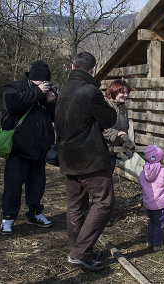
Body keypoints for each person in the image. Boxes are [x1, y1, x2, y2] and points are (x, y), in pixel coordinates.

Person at [54, 51, 117, 271]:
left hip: (67, 158)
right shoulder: (91, 92)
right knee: (105, 202)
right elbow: (110, 119)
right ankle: (80, 252)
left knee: (76, 206)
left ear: (72, 68)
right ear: (92, 70)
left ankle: (80, 250)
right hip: (89, 159)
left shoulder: (63, 90)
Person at [0, 60, 56, 235]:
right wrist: (37, 92)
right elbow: (11, 104)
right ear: (34, 79)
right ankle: (8, 218)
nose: (45, 84)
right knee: (13, 185)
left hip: (39, 149)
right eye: (42, 82)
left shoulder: (46, 92)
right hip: (18, 148)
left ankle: (35, 213)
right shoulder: (13, 87)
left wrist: (52, 102)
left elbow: (54, 117)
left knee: (37, 185)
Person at [102, 79, 135, 174]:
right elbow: (100, 127)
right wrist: (116, 134)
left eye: (127, 93)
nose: (126, 95)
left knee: (107, 181)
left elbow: (124, 129)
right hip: (101, 151)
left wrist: (126, 147)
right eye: (122, 92)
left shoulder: (123, 108)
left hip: (113, 152)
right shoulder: (105, 104)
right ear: (114, 91)